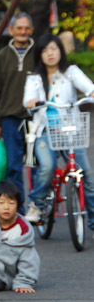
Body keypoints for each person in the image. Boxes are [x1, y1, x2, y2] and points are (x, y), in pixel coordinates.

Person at [23, 34, 94, 228]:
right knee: (47, 166)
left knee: (86, 173)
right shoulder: (34, 78)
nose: (50, 53)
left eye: (54, 48)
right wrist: (31, 102)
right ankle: (36, 204)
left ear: (60, 51)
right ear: (40, 54)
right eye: (45, 50)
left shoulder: (71, 71)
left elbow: (89, 88)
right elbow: (27, 100)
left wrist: (92, 93)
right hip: (45, 131)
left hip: (71, 130)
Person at [0, 12, 35, 212]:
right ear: (11, 30)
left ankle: (37, 204)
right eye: (19, 28)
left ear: (31, 30)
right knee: (14, 166)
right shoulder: (2, 56)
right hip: (9, 119)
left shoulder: (39, 52)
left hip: (36, 119)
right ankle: (19, 208)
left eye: (26, 28)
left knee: (36, 164)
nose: (23, 32)